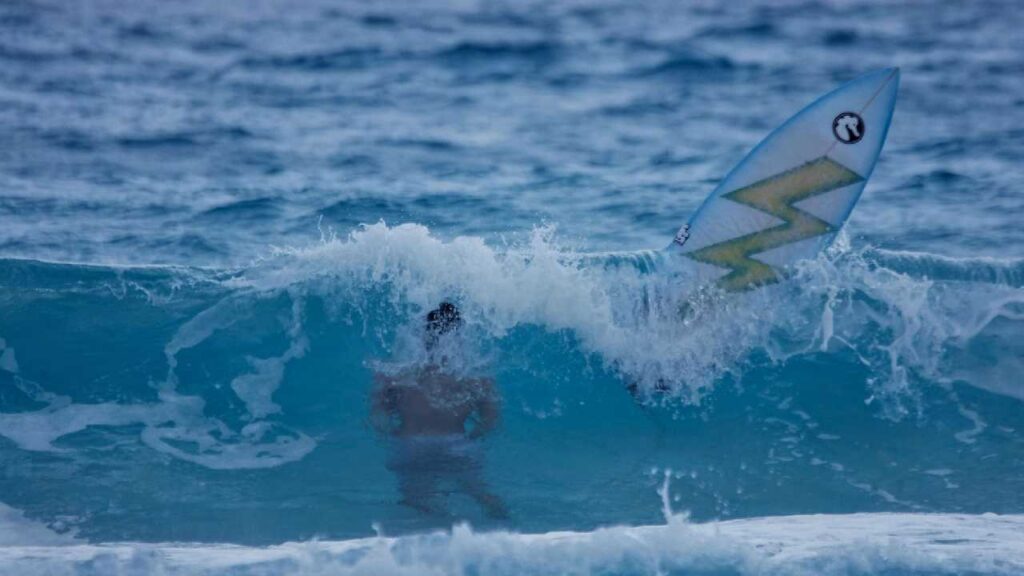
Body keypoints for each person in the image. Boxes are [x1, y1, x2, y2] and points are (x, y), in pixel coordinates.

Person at [370, 302, 507, 518]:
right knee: (479, 492)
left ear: (424, 336)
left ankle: (440, 532)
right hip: (457, 445)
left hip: (412, 444)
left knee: (416, 498)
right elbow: (490, 420)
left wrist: (391, 433)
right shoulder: (475, 377)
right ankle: (507, 533)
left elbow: (378, 417)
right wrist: (472, 437)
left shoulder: (397, 374)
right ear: (460, 338)